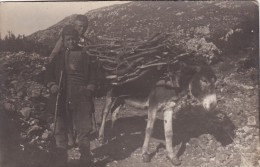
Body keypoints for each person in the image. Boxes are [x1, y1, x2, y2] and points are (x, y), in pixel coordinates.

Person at [45, 25, 97, 167]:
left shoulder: (85, 54)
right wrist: (51, 85)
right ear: (63, 40)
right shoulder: (58, 57)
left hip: (81, 95)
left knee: (83, 127)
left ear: (77, 39)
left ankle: (85, 156)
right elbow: (47, 73)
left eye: (74, 39)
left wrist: (90, 87)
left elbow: (94, 73)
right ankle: (61, 157)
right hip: (61, 95)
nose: (71, 42)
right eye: (68, 40)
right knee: (60, 126)